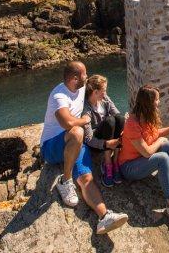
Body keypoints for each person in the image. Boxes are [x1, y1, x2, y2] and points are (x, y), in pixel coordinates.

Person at [39, 61, 128, 234]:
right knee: (77, 132)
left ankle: (104, 216)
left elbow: (99, 89)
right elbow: (68, 123)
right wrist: (85, 120)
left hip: (76, 144)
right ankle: (65, 181)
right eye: (84, 74)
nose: (87, 77)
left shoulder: (82, 88)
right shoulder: (59, 96)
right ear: (74, 78)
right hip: (52, 147)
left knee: (87, 179)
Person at [119, 85, 169, 232]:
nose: (159, 102)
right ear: (148, 103)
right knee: (162, 157)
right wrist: (161, 141)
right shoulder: (132, 124)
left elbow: (156, 135)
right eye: (156, 99)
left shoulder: (147, 117)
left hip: (142, 161)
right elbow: (147, 152)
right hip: (129, 167)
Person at [82, 75, 124, 187]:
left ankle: (115, 162)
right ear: (95, 92)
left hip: (108, 136)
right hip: (97, 143)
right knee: (109, 120)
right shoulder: (85, 109)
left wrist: (124, 126)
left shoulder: (105, 99)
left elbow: (117, 113)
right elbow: (89, 139)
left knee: (120, 118)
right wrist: (106, 143)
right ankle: (107, 164)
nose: (105, 93)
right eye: (103, 90)